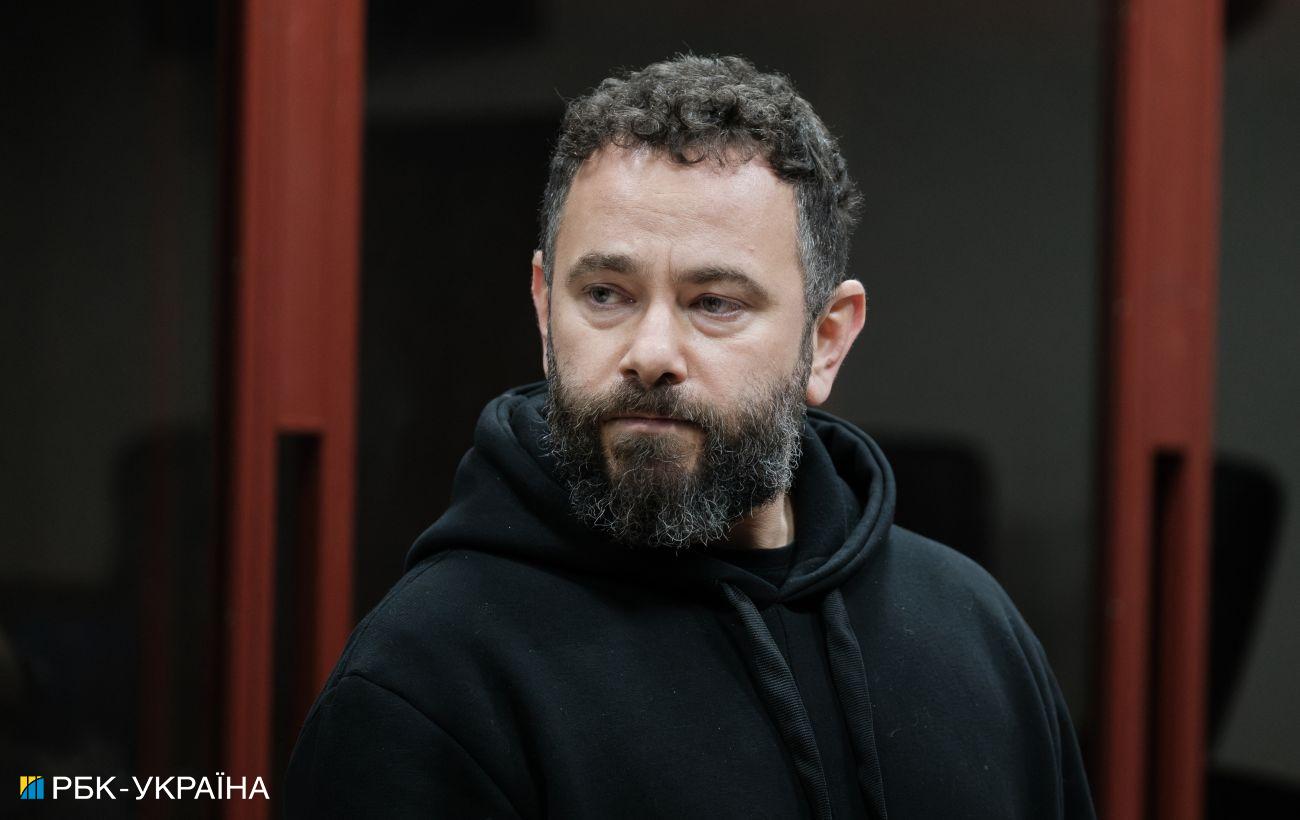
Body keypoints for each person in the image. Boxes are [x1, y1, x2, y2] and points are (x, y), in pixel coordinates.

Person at [285, 54, 1095, 819]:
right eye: (606, 294)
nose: (650, 354)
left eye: (715, 303)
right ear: (543, 309)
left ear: (826, 341)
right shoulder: (428, 677)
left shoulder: (973, 636)